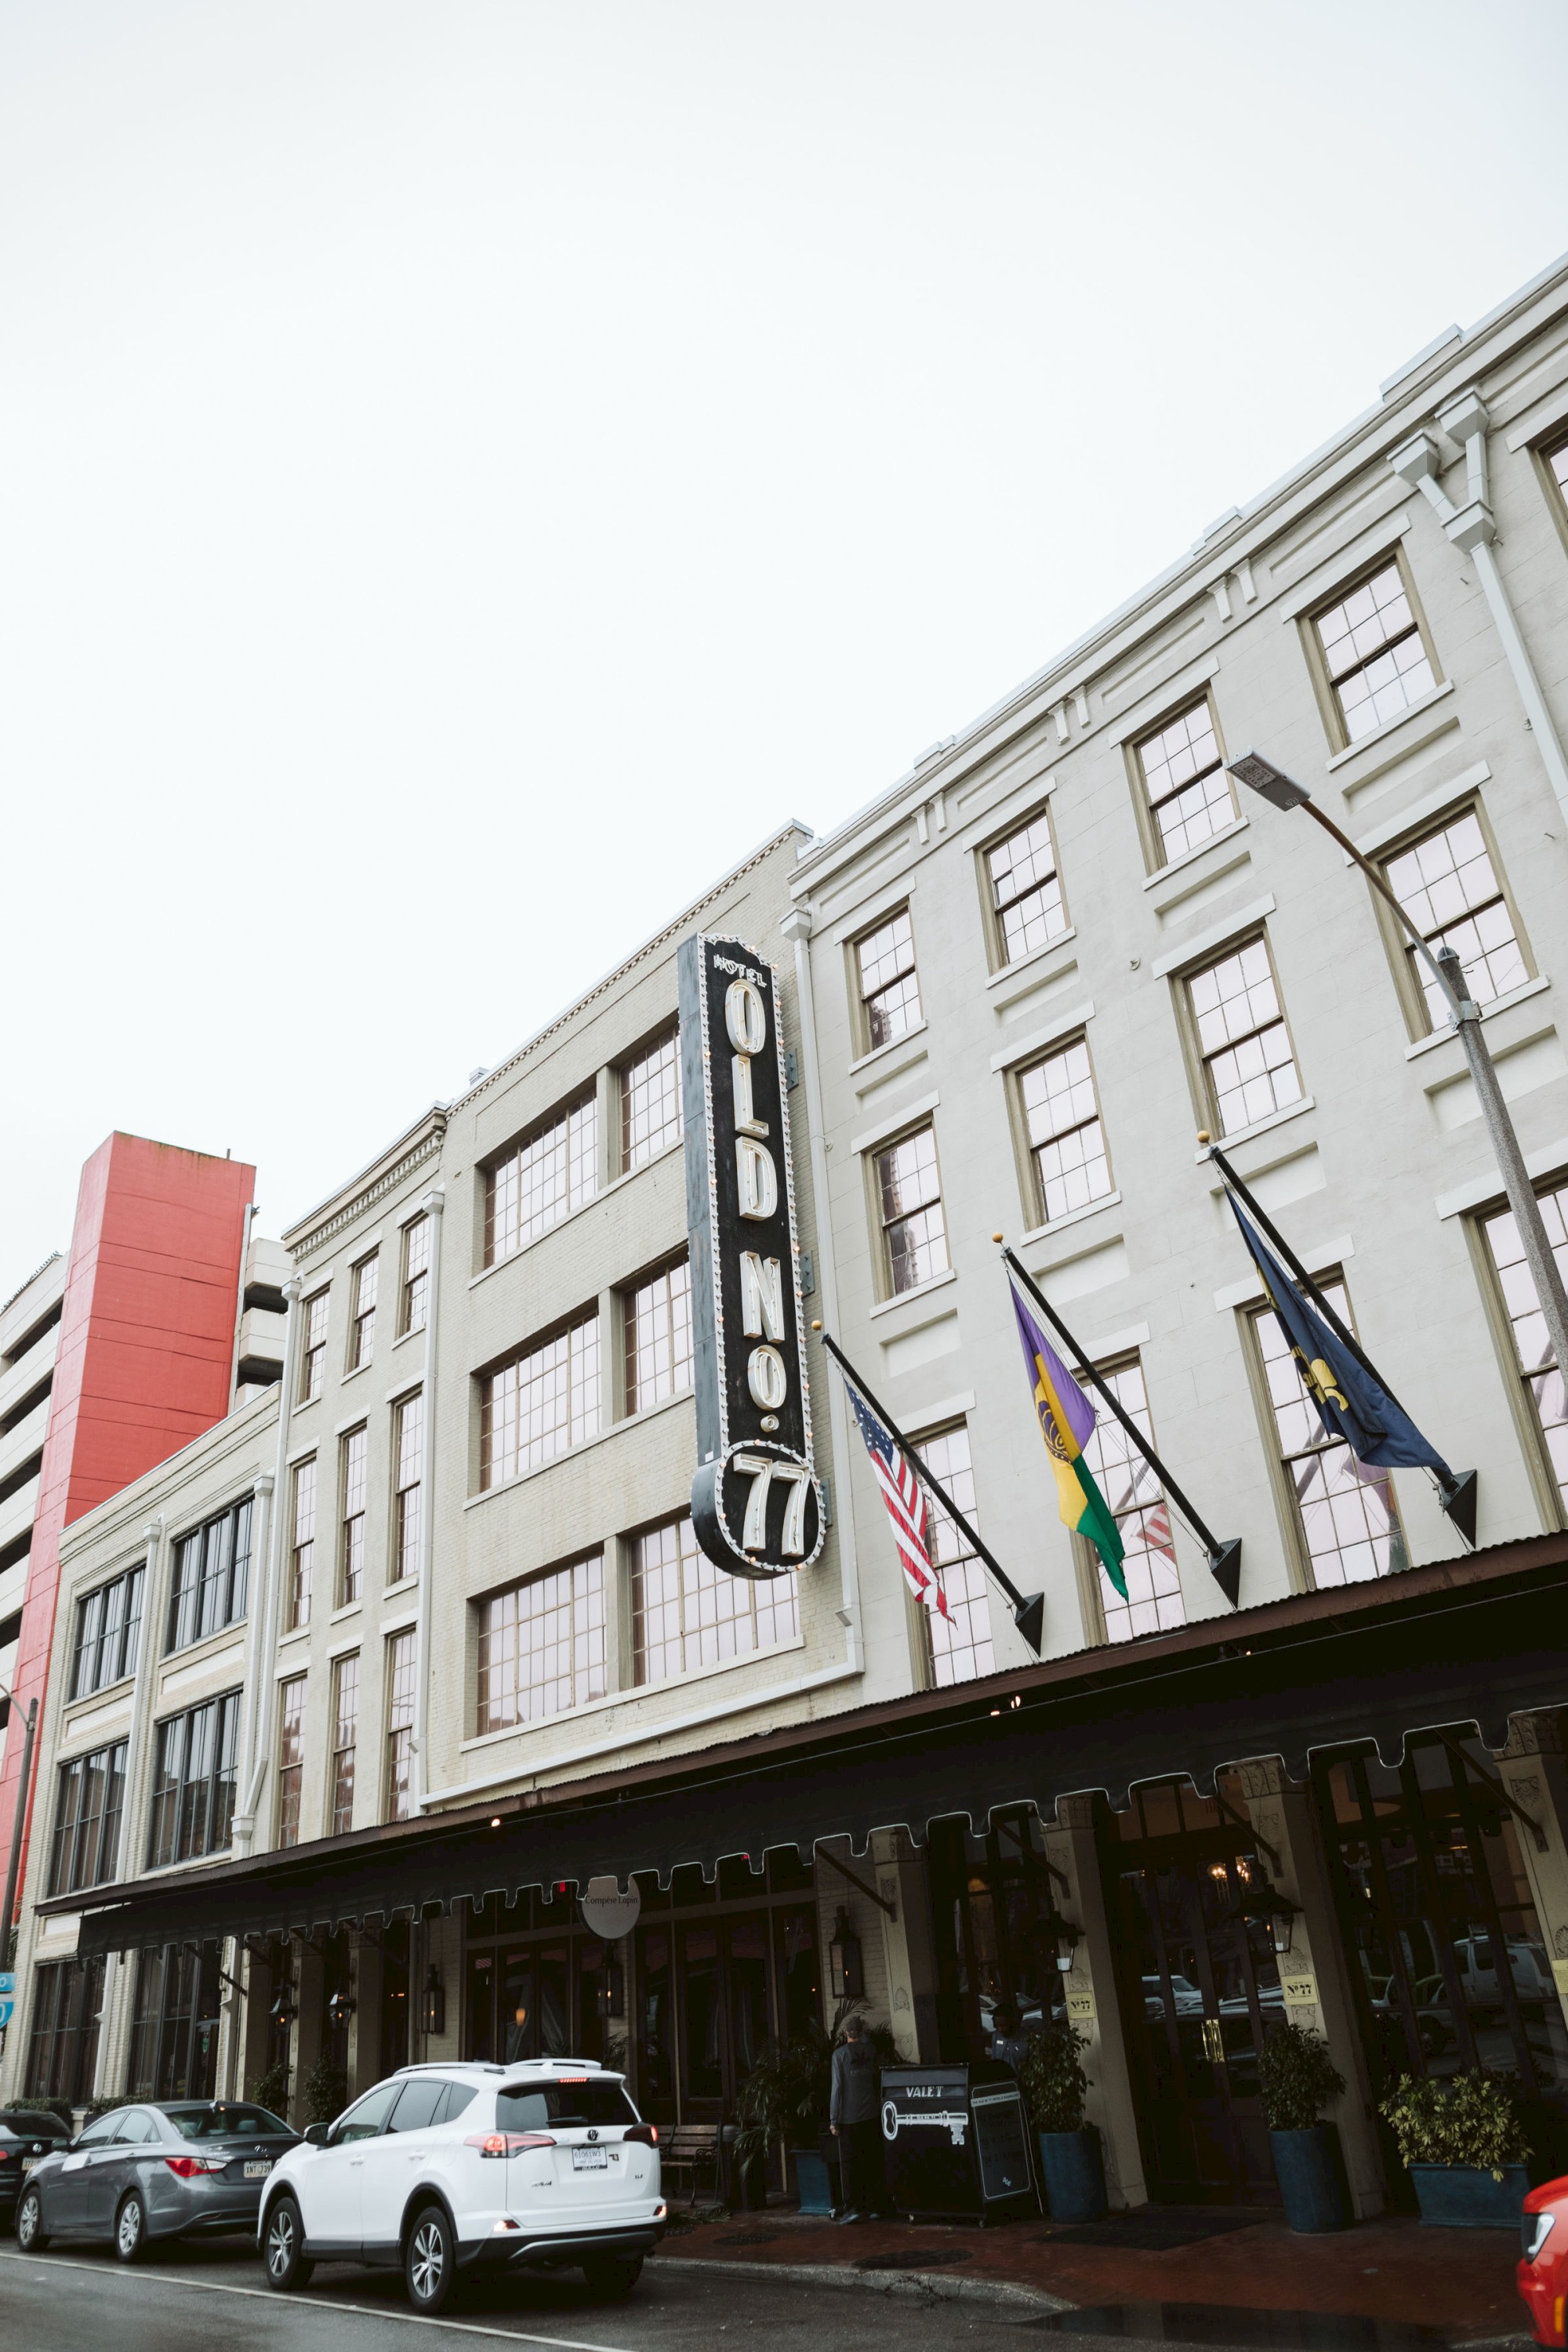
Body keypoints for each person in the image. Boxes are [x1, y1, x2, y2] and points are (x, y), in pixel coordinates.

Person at [829, 2013, 884, 2221]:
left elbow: (837, 2089)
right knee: (872, 2160)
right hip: (871, 2114)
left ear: (845, 2034)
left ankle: (853, 2208)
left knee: (850, 2165)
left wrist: (833, 2120)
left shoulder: (839, 2055)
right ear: (861, 2033)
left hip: (848, 2117)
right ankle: (875, 2206)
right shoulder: (870, 2051)